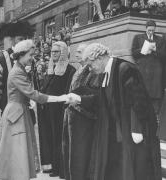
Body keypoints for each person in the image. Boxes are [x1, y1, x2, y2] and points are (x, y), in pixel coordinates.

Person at [66, 43, 161, 180]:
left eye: (90, 65)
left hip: (132, 131)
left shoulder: (125, 69)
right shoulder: (105, 72)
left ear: (98, 58)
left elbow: (139, 102)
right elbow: (101, 101)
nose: (90, 70)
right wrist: (80, 99)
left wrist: (137, 130)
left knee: (136, 170)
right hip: (116, 133)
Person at [0, 39, 68, 180]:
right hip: (16, 114)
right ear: (21, 55)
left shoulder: (19, 69)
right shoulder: (17, 73)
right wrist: (60, 98)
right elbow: (34, 94)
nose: (32, 58)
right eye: (30, 55)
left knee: (18, 154)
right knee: (18, 155)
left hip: (19, 111)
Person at [62, 43, 100, 180]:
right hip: (73, 115)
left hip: (84, 119)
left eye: (80, 51)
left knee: (80, 155)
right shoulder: (80, 70)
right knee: (71, 153)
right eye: (76, 51)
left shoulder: (93, 71)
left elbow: (93, 95)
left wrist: (77, 101)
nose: (76, 53)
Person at [38, 41, 76, 178]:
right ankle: (51, 165)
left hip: (60, 111)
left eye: (56, 51)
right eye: (52, 51)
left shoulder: (70, 70)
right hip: (47, 110)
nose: (53, 54)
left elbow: (68, 91)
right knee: (49, 137)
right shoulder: (50, 68)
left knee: (59, 138)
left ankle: (60, 168)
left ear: (63, 53)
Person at [132, 20, 166, 117]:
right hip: (143, 70)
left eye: (153, 30)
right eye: (149, 30)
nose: (151, 32)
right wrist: (143, 49)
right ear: (145, 28)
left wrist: (155, 50)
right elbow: (134, 53)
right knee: (142, 94)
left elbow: (164, 55)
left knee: (155, 94)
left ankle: (155, 115)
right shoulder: (138, 37)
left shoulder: (160, 39)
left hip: (156, 71)